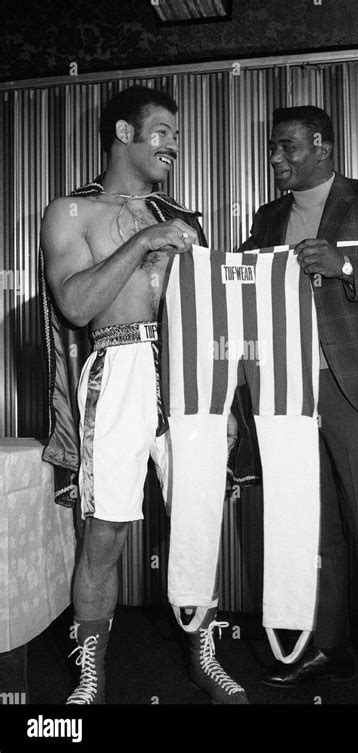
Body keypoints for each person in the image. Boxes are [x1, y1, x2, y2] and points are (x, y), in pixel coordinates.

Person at [40, 85, 247, 705]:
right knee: (105, 531)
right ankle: (90, 674)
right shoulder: (71, 214)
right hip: (119, 368)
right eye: (162, 133)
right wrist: (141, 245)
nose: (173, 147)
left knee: (198, 521)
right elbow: (76, 306)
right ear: (124, 134)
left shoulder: (181, 216)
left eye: (177, 137)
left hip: (187, 373)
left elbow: (212, 316)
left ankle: (203, 654)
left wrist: (227, 403)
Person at [238, 105, 358, 704]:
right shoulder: (268, 218)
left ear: (321, 146)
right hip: (287, 395)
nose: (276, 159)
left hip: (354, 388)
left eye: (287, 148)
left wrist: (345, 264)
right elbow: (244, 290)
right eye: (272, 149)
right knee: (314, 528)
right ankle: (331, 648)